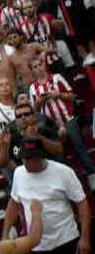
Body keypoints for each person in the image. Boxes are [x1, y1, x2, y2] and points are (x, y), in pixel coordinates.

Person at [2, 136, 91, 254]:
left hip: (66, 241)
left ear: (41, 155)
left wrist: (85, 237)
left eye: (30, 158)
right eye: (23, 158)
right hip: (37, 247)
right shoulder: (19, 173)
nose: (26, 162)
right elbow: (13, 203)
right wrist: (5, 234)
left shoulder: (63, 172)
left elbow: (81, 202)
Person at [28, 57, 95, 190]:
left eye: (39, 64)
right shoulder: (32, 88)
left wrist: (58, 95)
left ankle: (92, 176)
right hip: (50, 128)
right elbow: (35, 112)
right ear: (32, 71)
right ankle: (70, 185)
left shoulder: (57, 78)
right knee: (59, 157)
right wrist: (38, 102)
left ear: (44, 65)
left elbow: (72, 96)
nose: (38, 68)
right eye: (34, 67)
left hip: (67, 120)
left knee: (79, 148)